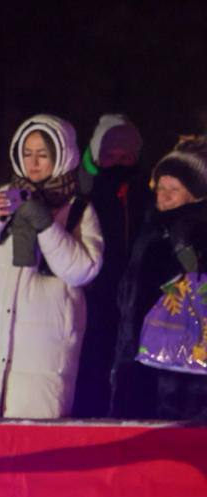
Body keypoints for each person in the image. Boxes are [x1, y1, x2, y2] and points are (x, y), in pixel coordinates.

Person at [0, 114, 103, 419]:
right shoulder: (3, 197)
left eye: (43, 155)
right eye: (27, 154)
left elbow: (83, 270)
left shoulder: (78, 209)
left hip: (42, 349)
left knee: (34, 441)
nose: (33, 163)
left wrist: (47, 226)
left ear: (62, 156)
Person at [112, 137, 207, 420]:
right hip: (137, 363)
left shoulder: (198, 231)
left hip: (181, 379)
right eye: (160, 188)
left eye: (173, 190)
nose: (162, 197)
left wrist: (186, 254)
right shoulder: (152, 227)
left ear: (196, 194)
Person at [74, 115, 152, 417]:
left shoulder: (144, 193)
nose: (118, 163)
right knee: (90, 369)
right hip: (91, 293)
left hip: (131, 296)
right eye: (110, 156)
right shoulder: (82, 192)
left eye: (126, 156)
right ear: (97, 156)